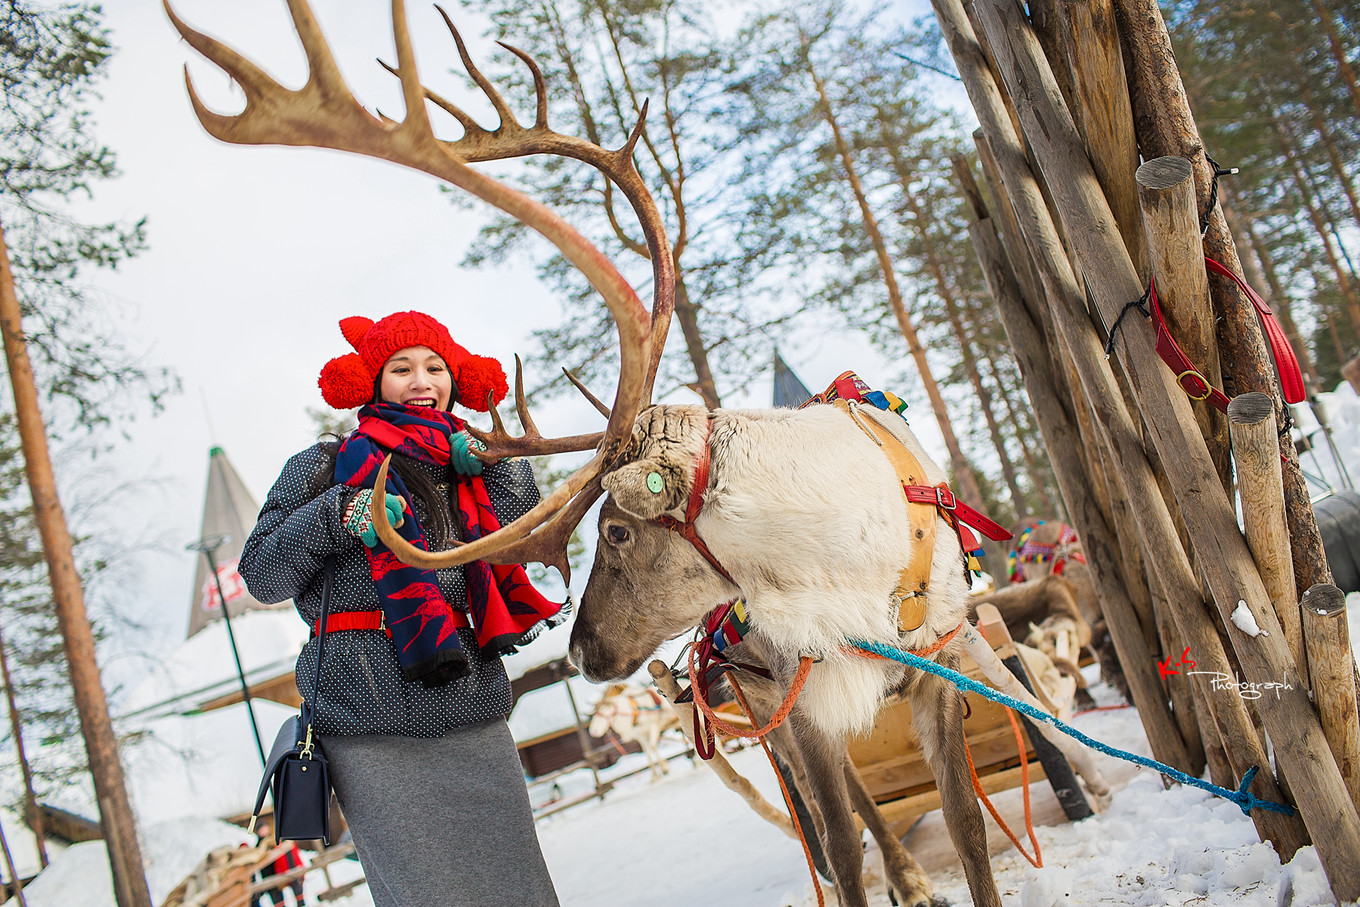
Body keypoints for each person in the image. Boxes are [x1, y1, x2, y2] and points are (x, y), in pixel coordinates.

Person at [240, 311, 565, 907]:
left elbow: (523, 531)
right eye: (402, 368)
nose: (422, 380)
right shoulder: (323, 464)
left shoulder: (471, 458)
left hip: (467, 702)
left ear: (457, 377)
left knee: (516, 887)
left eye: (436, 367)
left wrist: (498, 460)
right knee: (422, 893)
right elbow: (261, 573)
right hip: (364, 716)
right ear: (370, 380)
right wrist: (340, 515)